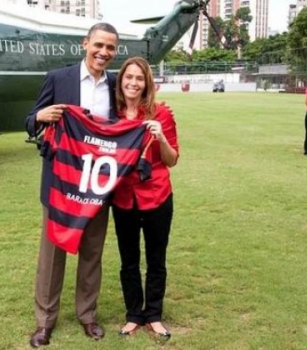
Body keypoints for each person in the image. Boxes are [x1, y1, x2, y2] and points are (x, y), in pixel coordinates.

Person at [25, 23, 119, 348]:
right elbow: (29, 120)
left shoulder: (116, 84)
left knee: (92, 253)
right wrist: (40, 116)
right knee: (52, 257)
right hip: (60, 186)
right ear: (85, 44)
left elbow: (125, 127)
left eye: (110, 47)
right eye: (99, 45)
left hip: (98, 185)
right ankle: (44, 323)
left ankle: (87, 316)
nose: (103, 52)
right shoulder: (58, 78)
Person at [110, 57, 179, 340]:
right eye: (129, 77)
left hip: (157, 196)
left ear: (147, 83)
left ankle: (153, 314)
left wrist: (161, 137)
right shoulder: (110, 116)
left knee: (156, 259)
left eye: (139, 78)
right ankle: (133, 315)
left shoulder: (161, 114)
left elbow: (172, 159)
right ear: (121, 81)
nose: (133, 83)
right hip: (123, 198)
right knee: (128, 260)